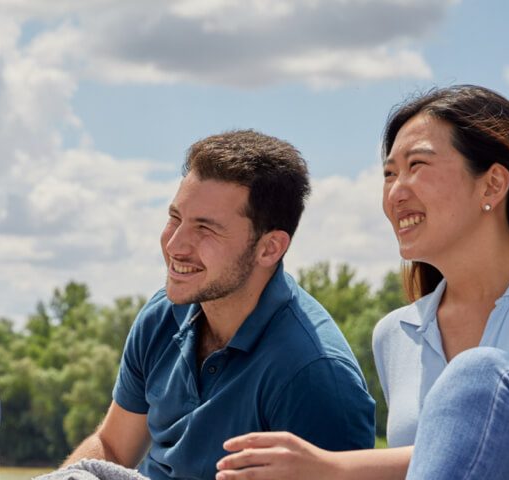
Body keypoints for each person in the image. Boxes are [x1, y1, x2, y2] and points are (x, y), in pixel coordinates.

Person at [216, 85, 509, 479]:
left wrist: (332, 468)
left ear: (492, 184)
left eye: (417, 165)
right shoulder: (396, 334)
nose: (396, 192)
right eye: (389, 174)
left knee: (481, 373)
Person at [59, 130, 378, 479]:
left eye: (205, 229)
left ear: (269, 248)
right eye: (175, 218)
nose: (175, 245)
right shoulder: (162, 314)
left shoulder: (315, 376)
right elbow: (112, 447)